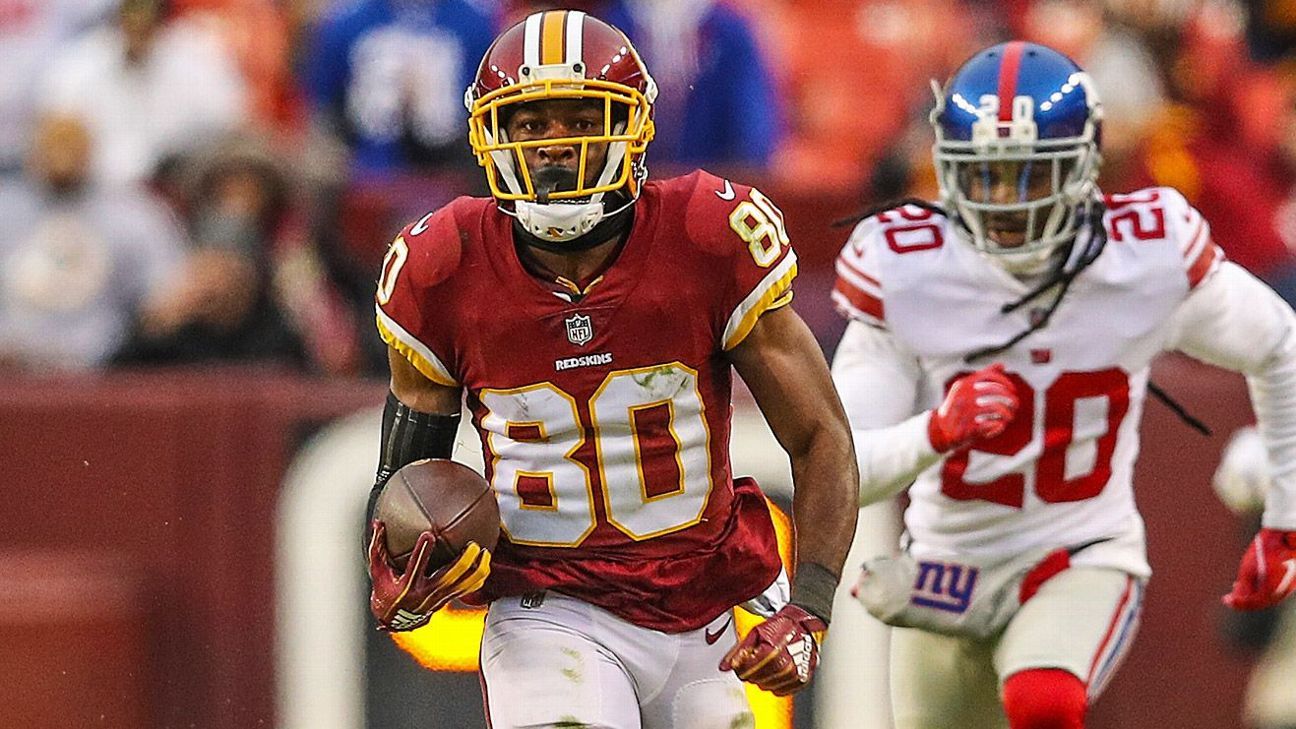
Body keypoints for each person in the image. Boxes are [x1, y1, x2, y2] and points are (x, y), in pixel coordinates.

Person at [364, 9, 859, 728]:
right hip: (546, 607)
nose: (555, 147)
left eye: (576, 119)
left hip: (697, 614)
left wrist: (809, 610)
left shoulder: (707, 237)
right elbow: (403, 480)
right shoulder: (443, 265)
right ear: (491, 136)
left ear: (632, 128)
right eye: (530, 125)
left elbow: (821, 435)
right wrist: (401, 557)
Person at [830, 41, 1296, 728]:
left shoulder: (1143, 256)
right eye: (985, 176)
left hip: (1078, 552)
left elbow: (1280, 346)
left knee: (1043, 700)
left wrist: (1285, 518)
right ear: (949, 172)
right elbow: (843, 467)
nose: (1006, 202)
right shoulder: (907, 270)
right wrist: (937, 431)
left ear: (1083, 168)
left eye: (1029, 174)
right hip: (943, 574)